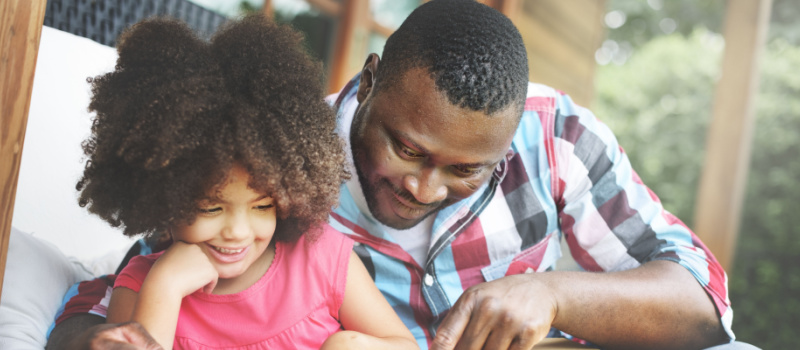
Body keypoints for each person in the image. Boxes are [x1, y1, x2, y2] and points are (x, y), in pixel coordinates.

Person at [48, 1, 739, 349]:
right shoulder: (277, 159)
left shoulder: (557, 134)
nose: (424, 188)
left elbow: (703, 305)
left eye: (467, 170)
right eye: (406, 149)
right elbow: (123, 289)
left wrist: (553, 292)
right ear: (372, 81)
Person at [51, 15, 418, 350]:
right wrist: (166, 286)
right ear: (161, 198)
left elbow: (403, 344)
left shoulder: (320, 257)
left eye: (262, 206)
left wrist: (348, 346)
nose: (238, 232)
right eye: (211, 207)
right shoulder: (142, 287)